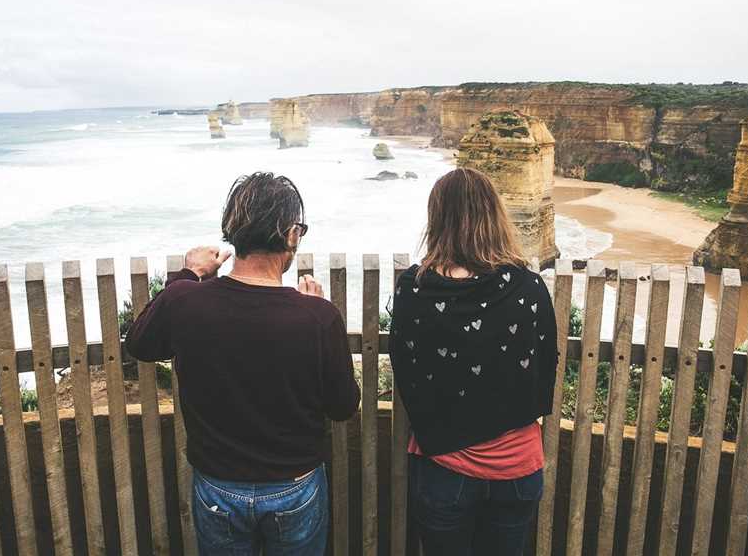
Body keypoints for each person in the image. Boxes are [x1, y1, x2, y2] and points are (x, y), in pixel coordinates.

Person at [126, 172, 360, 556]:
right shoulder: (317, 317)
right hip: (294, 486)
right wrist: (317, 309)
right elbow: (343, 406)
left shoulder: (186, 300)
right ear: (290, 235)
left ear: (232, 232)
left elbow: (140, 343)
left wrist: (188, 274)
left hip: (218, 485)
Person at [389, 167, 558, 556]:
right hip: (517, 466)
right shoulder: (528, 287)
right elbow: (546, 365)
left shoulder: (415, 290)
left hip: (444, 467)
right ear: (494, 216)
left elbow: (407, 372)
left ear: (437, 220)